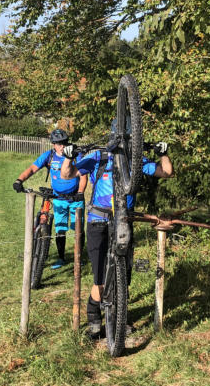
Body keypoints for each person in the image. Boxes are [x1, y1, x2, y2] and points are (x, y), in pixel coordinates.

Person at [61, 123, 173, 338]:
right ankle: (94, 316)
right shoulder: (99, 157)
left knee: (124, 273)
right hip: (98, 220)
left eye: (130, 140)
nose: (126, 143)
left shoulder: (136, 161)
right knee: (100, 277)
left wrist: (163, 154)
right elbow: (68, 174)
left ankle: (120, 317)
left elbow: (166, 172)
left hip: (124, 220)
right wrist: (68, 157)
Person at [13, 129, 87, 269]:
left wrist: (80, 192)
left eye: (64, 142)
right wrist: (19, 180)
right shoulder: (49, 156)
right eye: (59, 143)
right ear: (53, 144)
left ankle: (79, 257)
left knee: (78, 229)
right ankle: (61, 258)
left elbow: (83, 176)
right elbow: (32, 169)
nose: (62, 146)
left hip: (75, 198)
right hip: (58, 198)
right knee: (60, 229)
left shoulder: (76, 155)